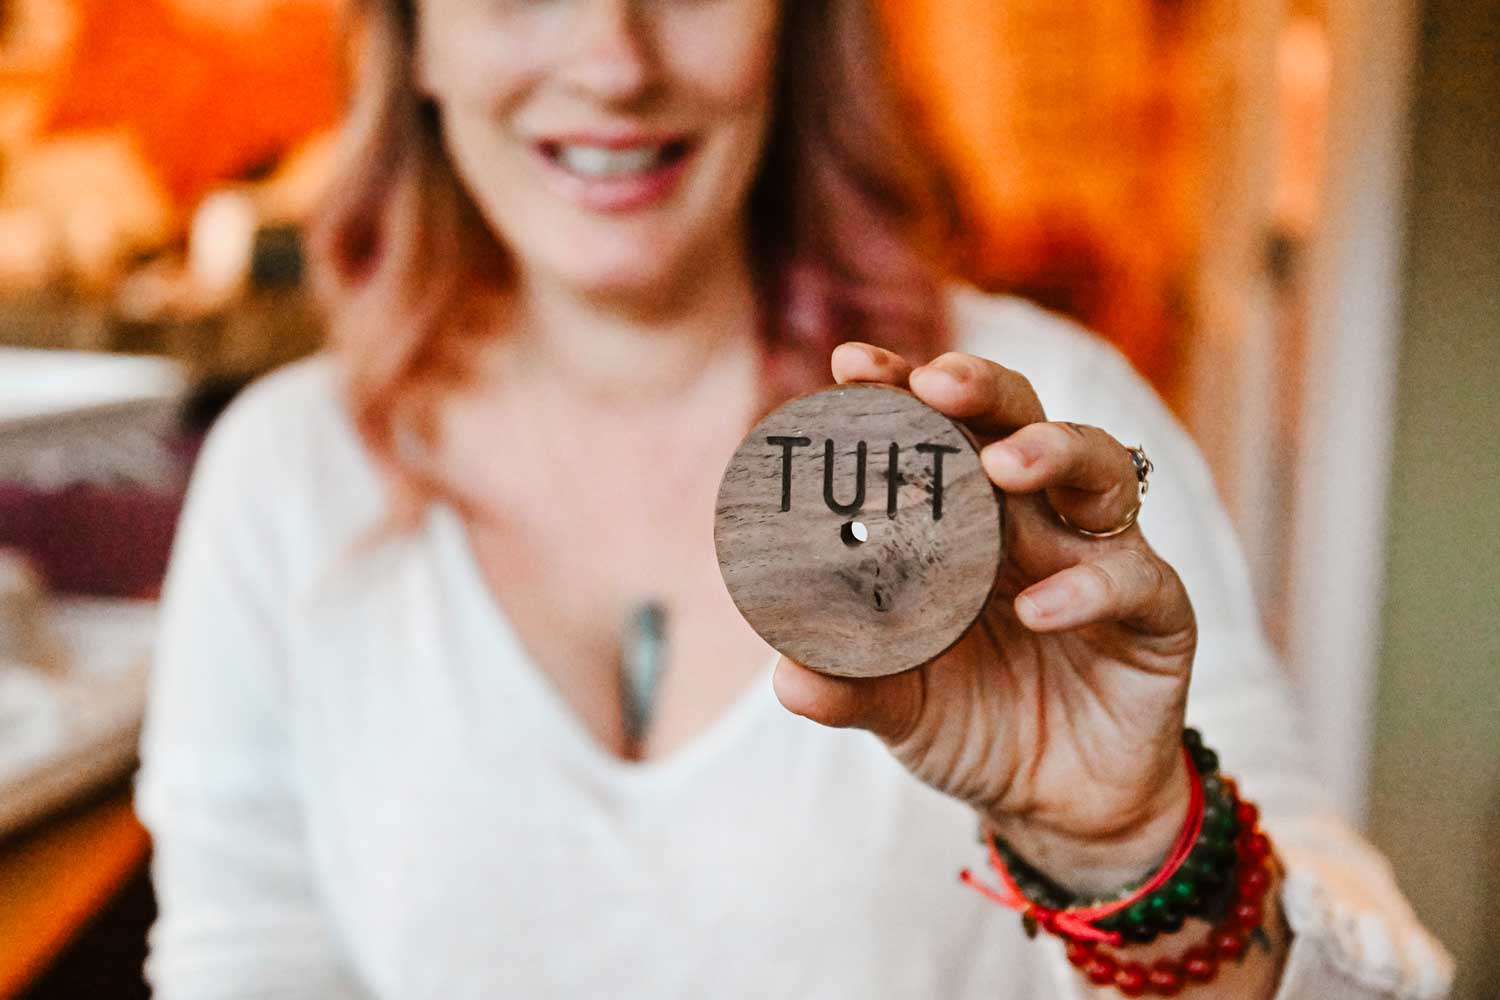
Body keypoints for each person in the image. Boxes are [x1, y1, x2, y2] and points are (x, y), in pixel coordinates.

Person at [136, 0, 1452, 997]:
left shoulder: (1032, 417)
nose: (615, 57)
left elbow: (1371, 973)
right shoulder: (285, 474)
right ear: (412, 38)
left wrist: (1137, 849)